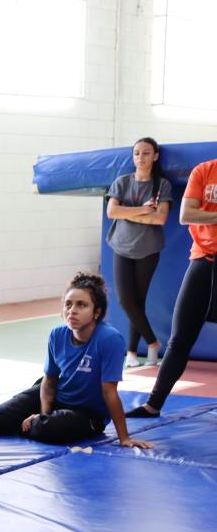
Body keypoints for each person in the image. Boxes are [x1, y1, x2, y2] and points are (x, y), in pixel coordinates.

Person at [0, 273, 152, 448]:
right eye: (68, 304)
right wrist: (43, 414)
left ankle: (32, 423)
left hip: (87, 414)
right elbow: (50, 380)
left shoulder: (109, 339)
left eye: (81, 305)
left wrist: (124, 438)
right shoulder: (57, 334)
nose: (72, 310)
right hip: (56, 398)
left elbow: (109, 392)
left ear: (97, 312)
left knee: (50, 429)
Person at [127, 158, 217, 419]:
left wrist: (206, 213)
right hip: (203, 259)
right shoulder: (204, 170)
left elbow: (197, 211)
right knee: (180, 338)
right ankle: (153, 405)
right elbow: (186, 214)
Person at [106, 137, 172, 368]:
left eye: (145, 153)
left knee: (138, 301)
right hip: (122, 246)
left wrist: (129, 213)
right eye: (136, 153)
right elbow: (112, 212)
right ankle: (153, 343)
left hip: (148, 249)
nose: (140, 157)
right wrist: (143, 211)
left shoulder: (161, 185)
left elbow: (161, 217)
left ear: (155, 156)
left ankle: (132, 352)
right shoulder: (122, 182)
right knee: (125, 299)